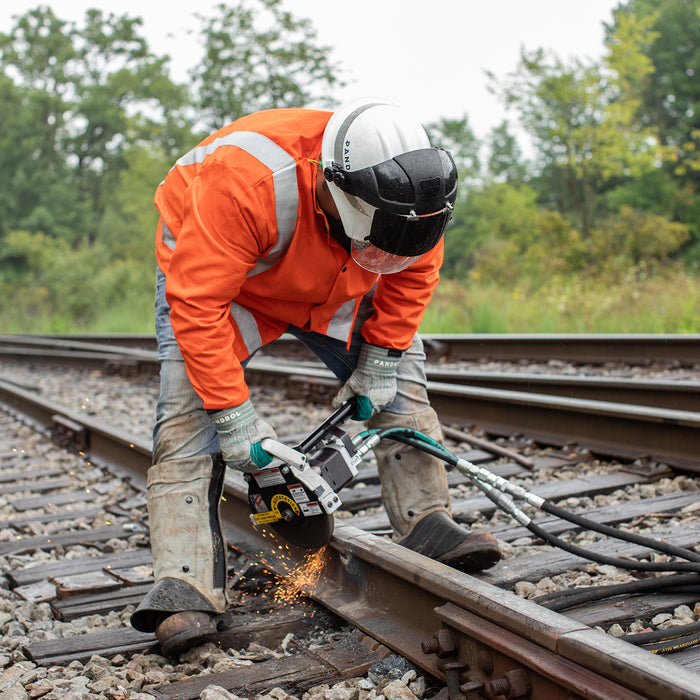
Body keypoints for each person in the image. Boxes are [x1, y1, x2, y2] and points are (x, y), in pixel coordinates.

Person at [130, 97, 501, 655]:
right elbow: (198, 304)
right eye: (379, 239)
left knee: (401, 382)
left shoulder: (413, 199)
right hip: (229, 288)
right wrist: (233, 415)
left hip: (335, 278)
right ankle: (184, 584)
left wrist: (382, 357)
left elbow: (412, 276)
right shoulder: (243, 182)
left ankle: (429, 520)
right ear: (344, 194)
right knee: (188, 419)